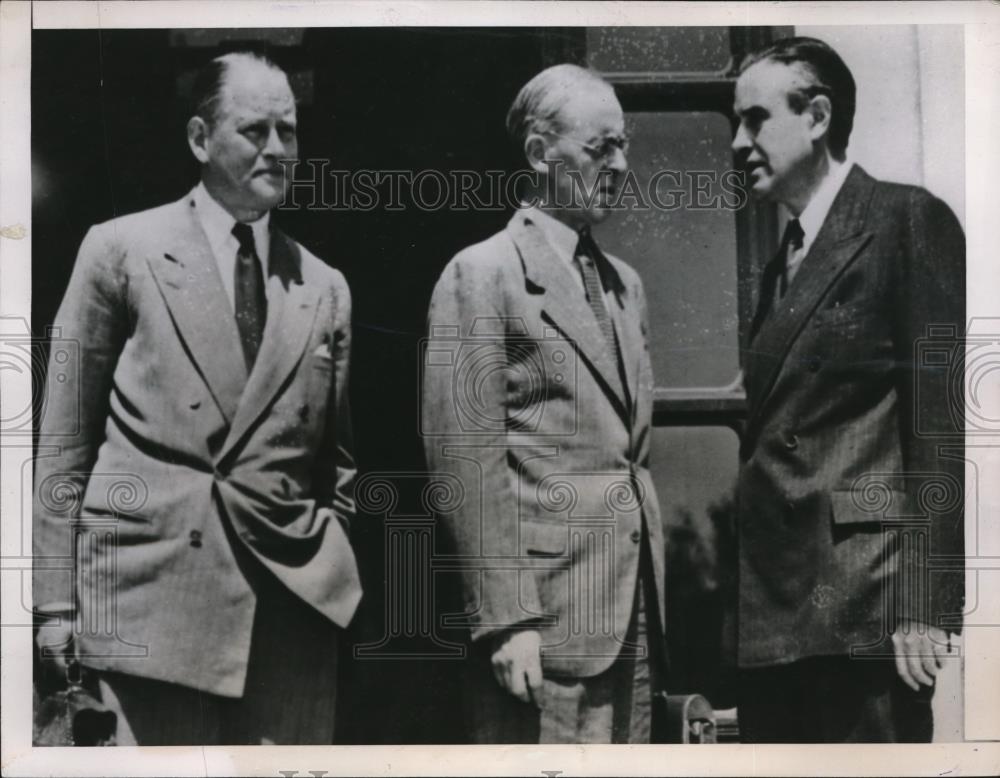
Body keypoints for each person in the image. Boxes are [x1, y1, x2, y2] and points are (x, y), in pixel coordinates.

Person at [32, 51, 361, 745]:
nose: (277, 149)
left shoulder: (324, 284)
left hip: (286, 617)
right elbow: (63, 441)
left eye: (289, 131)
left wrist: (329, 549)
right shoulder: (121, 251)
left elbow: (340, 462)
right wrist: (54, 603)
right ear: (199, 139)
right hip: (151, 608)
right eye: (254, 131)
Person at [422, 64, 666, 743]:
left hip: (633, 621)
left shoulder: (626, 287)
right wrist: (507, 620)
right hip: (542, 631)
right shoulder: (482, 274)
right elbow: (464, 460)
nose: (620, 164)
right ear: (538, 153)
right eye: (600, 148)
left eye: (624, 145)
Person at [731, 36, 965, 742]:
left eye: (755, 120)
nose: (739, 143)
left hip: (865, 602)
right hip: (773, 610)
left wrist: (924, 602)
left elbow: (939, 427)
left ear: (818, 116)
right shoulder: (780, 264)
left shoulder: (904, 221)